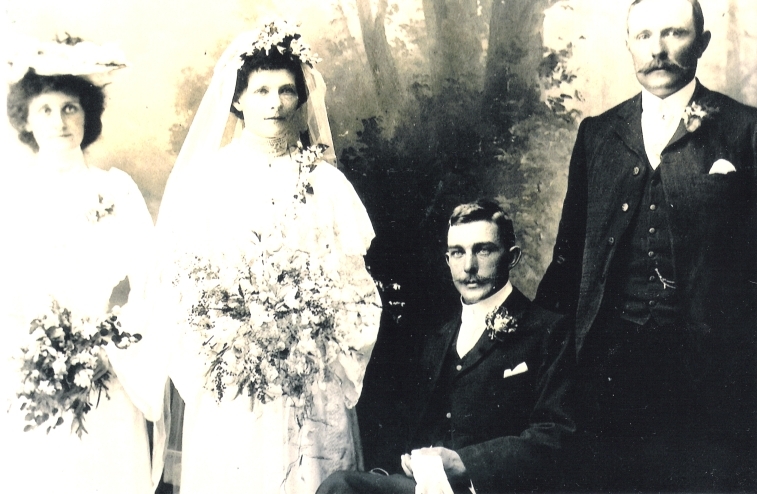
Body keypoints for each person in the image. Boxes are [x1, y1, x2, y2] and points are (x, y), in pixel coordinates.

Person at [535, 0, 757, 490]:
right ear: (629, 43)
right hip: (607, 368)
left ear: (702, 43)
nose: (657, 50)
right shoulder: (597, 135)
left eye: (674, 34)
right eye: (644, 36)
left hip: (713, 371)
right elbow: (569, 258)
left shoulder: (745, 129)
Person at [152, 21, 381, 493]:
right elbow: (179, 289)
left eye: (285, 90)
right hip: (237, 382)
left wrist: (318, 347)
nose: (274, 103)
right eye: (261, 91)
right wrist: (229, 349)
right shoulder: (208, 182)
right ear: (237, 99)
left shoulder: (326, 184)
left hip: (310, 379)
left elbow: (355, 289)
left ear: (301, 98)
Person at [317, 199, 574, 494]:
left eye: (484, 249)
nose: (469, 266)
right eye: (458, 253)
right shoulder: (438, 336)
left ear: (512, 256)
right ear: (447, 260)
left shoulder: (548, 330)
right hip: (428, 487)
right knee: (340, 487)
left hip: (496, 488)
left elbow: (556, 436)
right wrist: (409, 460)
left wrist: (465, 463)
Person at [0, 37, 164, 493]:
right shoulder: (9, 197)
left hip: (106, 369)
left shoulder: (116, 191)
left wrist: (109, 341)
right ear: (26, 119)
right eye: (46, 110)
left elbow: (149, 283)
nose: (60, 122)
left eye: (70, 108)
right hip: (28, 369)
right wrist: (30, 351)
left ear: (88, 115)